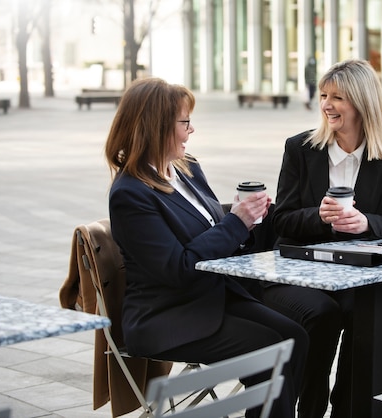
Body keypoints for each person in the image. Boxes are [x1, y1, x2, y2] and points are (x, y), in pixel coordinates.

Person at [105, 77, 308, 418]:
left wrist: (254, 220)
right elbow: (178, 268)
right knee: (272, 350)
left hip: (210, 299)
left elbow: (212, 232)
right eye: (184, 123)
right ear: (157, 128)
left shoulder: (187, 170)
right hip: (167, 316)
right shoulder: (130, 194)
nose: (191, 130)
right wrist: (236, 222)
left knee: (295, 336)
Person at [263, 59, 382, 418]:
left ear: (361, 103)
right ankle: (309, 409)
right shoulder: (301, 148)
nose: (325, 104)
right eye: (324, 95)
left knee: (366, 316)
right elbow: (282, 220)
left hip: (352, 270)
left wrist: (364, 223)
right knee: (323, 316)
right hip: (300, 270)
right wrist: (322, 218)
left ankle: (351, 410)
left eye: (337, 97)